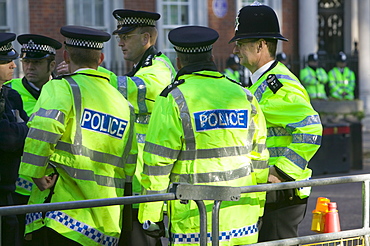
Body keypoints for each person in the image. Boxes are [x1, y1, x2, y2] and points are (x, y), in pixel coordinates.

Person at [138, 25, 269, 245]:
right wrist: (258, 206)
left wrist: (151, 217)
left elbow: (157, 164)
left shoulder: (173, 98)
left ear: (179, 61)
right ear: (210, 56)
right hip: (242, 219)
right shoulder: (244, 95)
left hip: (195, 226)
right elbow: (260, 159)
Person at [18, 25, 137, 246]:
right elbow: (130, 162)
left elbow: (43, 128)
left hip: (63, 216)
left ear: (65, 55)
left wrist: (34, 172)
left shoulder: (61, 88)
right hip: (105, 221)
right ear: (100, 58)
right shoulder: (123, 103)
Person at [230, 2, 323, 242]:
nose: (236, 50)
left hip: (283, 192)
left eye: (241, 44)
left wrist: (281, 173)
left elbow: (312, 128)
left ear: (260, 45)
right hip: (274, 192)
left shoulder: (277, 84)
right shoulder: (262, 82)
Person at [112, 9, 176, 246]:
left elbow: (139, 90)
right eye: (119, 37)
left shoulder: (159, 67)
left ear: (146, 39)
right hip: (135, 179)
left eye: (126, 37)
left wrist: (92, 78)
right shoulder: (139, 68)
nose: (120, 43)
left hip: (148, 182)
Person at [5, 34, 62, 245]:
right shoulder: (11, 92)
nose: (29, 67)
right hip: (19, 190)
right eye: (26, 61)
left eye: (37, 63)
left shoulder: (63, 92)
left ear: (52, 64)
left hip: (53, 191)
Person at [0, 32, 29, 246]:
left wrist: (19, 130)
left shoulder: (10, 96)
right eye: (6, 61)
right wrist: (24, 129)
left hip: (8, 188)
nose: (13, 65)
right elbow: (7, 139)